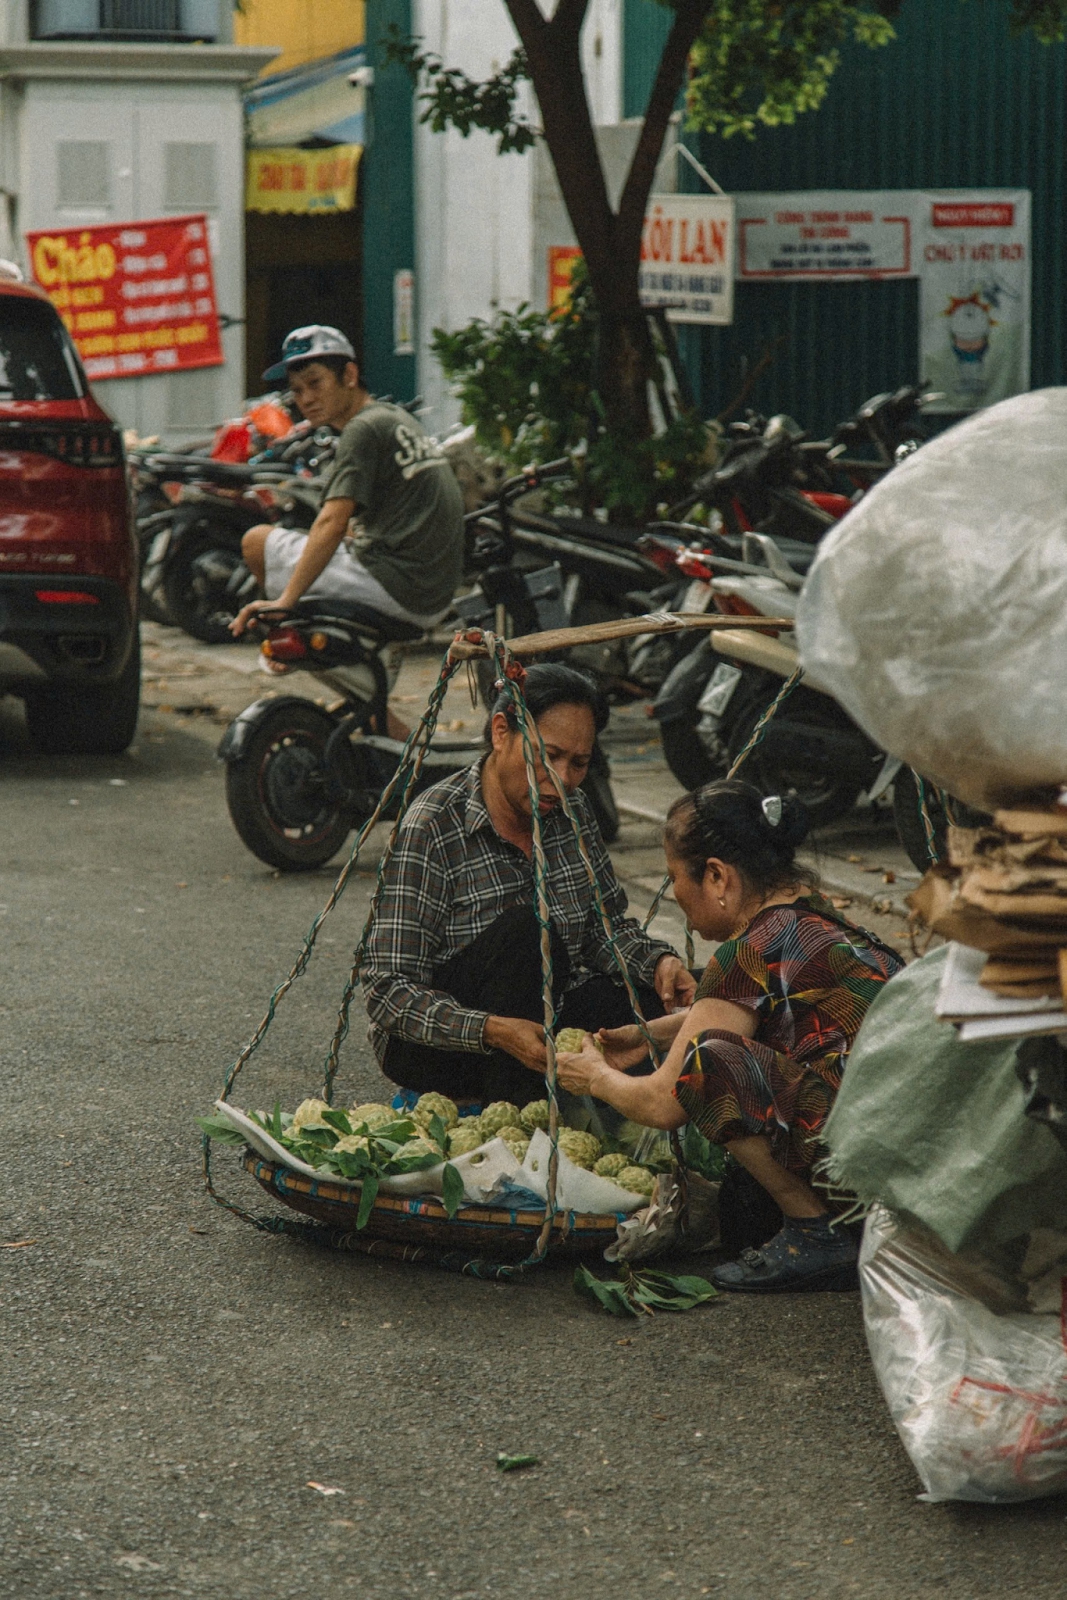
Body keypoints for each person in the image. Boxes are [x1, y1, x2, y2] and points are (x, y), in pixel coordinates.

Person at [556, 779, 905, 1293]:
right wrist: (647, 1035)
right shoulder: (814, 917)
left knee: (709, 1063)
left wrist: (597, 1077)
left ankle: (817, 1231)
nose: (674, 892)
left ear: (717, 876)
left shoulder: (746, 950)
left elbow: (663, 1102)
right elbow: (759, 1009)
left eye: (675, 877)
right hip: (911, 1154)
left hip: (868, 1167)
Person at [360, 664, 695, 1107]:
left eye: (579, 763)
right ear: (502, 732)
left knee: (685, 1007)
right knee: (527, 933)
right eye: (548, 756)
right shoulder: (433, 825)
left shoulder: (573, 809)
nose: (563, 778)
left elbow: (601, 930)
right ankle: (524, 1112)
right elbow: (387, 989)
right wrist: (493, 1029)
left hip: (546, 1013)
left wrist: (657, 963)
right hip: (447, 1045)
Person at [230, 325, 464, 637]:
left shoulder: (362, 429)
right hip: (432, 594)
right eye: (297, 390)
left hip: (400, 588)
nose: (307, 399)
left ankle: (287, 635)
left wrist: (285, 602)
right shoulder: (392, 416)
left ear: (349, 376)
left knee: (256, 541)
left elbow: (332, 522)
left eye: (316, 383)